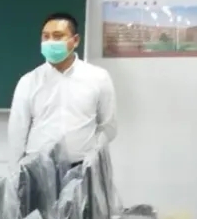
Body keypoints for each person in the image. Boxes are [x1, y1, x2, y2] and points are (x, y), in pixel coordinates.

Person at [7, 13, 117, 166]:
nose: (50, 42)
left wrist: (93, 154)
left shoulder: (98, 77)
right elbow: (17, 130)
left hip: (81, 166)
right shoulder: (29, 81)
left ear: (75, 40)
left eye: (58, 36)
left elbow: (108, 126)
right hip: (37, 167)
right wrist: (16, 170)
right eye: (46, 37)